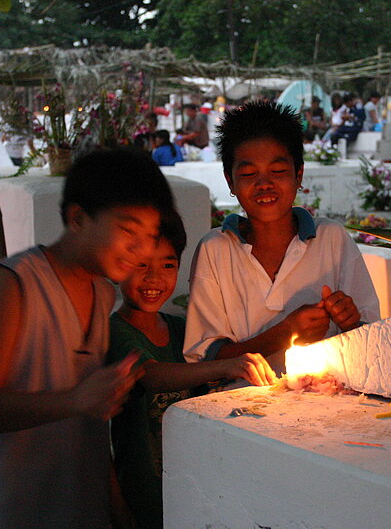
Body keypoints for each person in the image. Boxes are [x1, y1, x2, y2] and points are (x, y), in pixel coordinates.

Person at [0, 147, 178, 528]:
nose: (140, 251)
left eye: (150, 237)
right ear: (77, 218)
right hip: (5, 504)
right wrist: (74, 400)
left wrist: (117, 510)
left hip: (75, 501)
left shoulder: (102, 292)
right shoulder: (13, 285)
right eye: (128, 231)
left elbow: (88, 419)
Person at [108, 210, 274, 528]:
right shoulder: (114, 332)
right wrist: (226, 365)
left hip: (192, 484)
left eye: (167, 265)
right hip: (143, 493)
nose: (154, 278)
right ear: (118, 267)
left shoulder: (184, 329)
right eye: (141, 265)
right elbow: (152, 375)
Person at [183, 101, 380, 367]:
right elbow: (207, 359)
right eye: (249, 173)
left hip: (327, 398)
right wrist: (285, 333)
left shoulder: (331, 239)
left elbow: (372, 338)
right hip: (241, 402)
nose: (264, 184)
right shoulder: (215, 249)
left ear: (299, 174)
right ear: (231, 181)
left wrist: (350, 321)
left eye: (277, 171)